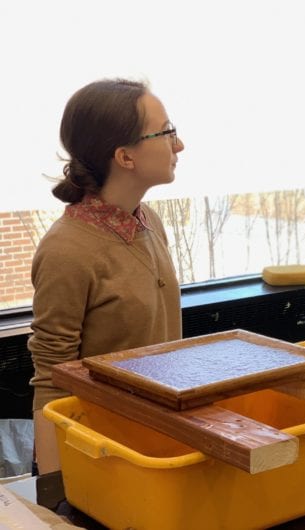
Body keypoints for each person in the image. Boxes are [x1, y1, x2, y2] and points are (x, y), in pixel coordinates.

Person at [28, 79, 184, 473]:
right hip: (103, 458)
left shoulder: (150, 221)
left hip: (160, 437)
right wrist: (53, 491)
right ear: (125, 157)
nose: (178, 145)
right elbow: (52, 377)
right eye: (167, 132)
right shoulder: (67, 250)